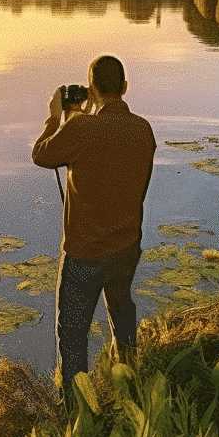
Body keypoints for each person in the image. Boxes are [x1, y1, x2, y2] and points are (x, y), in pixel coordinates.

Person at [32, 55, 156, 404]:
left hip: (85, 255)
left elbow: (42, 154)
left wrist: (56, 116)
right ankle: (130, 386)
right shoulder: (143, 129)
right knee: (122, 311)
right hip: (127, 247)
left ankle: (77, 410)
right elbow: (120, 169)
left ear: (92, 89)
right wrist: (78, 118)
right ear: (125, 88)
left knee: (72, 336)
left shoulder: (79, 129)